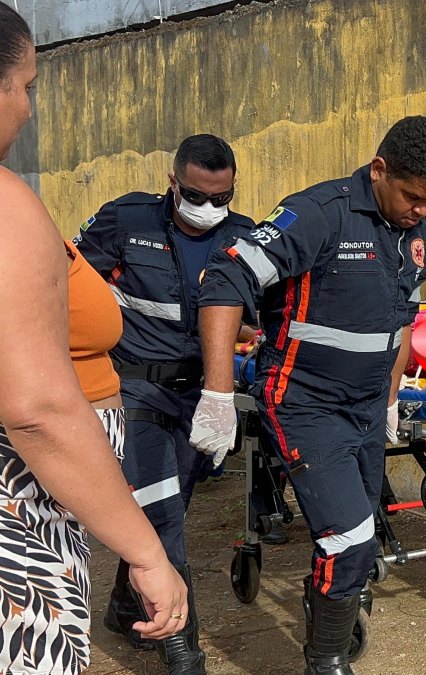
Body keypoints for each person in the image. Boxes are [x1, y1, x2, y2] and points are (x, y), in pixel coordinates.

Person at [192, 116, 426, 674]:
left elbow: (401, 327)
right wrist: (217, 393)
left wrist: (389, 401)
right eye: (413, 196)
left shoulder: (415, 236)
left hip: (365, 408)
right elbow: (226, 277)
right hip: (304, 403)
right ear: (379, 169)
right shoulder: (318, 214)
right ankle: (326, 661)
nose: (421, 211)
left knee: (360, 531)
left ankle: (328, 610)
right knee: (351, 537)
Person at [0, 7, 187, 673]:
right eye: (27, 86)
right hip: (21, 521)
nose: (27, 108)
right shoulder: (5, 207)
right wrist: (146, 551)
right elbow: (40, 409)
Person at [73, 134, 254, 672]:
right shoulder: (126, 220)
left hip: (200, 398)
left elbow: (260, 315)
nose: (208, 209)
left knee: (168, 509)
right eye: (196, 195)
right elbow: (72, 284)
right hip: (134, 391)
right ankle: (184, 655)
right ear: (172, 183)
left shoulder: (244, 238)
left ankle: (123, 606)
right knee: (165, 522)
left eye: (221, 199)